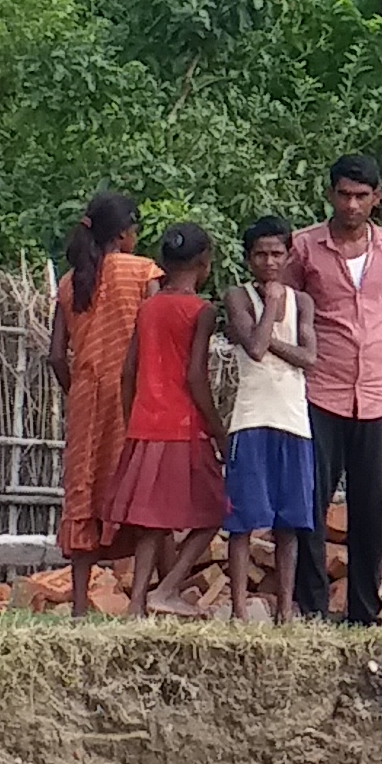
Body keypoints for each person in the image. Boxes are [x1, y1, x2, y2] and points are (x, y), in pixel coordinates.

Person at [297, 156, 382, 625]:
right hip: (320, 389)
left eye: (361, 196)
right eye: (344, 194)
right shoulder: (304, 248)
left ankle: (364, 613)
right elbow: (287, 311)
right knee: (311, 501)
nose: (351, 204)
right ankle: (310, 608)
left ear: (377, 197)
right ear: (330, 193)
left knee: (371, 508)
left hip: (376, 392)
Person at [103, 222, 226, 615]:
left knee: (151, 521)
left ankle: (138, 603)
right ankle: (167, 589)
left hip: (145, 424)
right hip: (183, 427)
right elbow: (194, 377)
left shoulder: (148, 308)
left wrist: (131, 419)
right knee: (216, 511)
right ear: (205, 264)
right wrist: (218, 431)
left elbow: (127, 372)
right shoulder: (201, 311)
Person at [48, 189, 154, 618]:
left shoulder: (71, 281)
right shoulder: (143, 271)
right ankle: (144, 601)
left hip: (86, 399)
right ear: (126, 233)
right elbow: (152, 338)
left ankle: (78, 605)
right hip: (131, 396)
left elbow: (57, 354)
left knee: (84, 491)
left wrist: (76, 391)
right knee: (138, 488)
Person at [214, 218, 322, 624]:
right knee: (243, 520)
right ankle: (240, 610)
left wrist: (276, 327)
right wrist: (272, 307)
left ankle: (283, 611)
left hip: (293, 420)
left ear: (289, 255)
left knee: (289, 522)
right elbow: (256, 348)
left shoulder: (304, 303)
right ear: (248, 258)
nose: (269, 261)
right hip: (252, 417)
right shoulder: (237, 296)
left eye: (277, 253)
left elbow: (310, 358)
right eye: (261, 254)